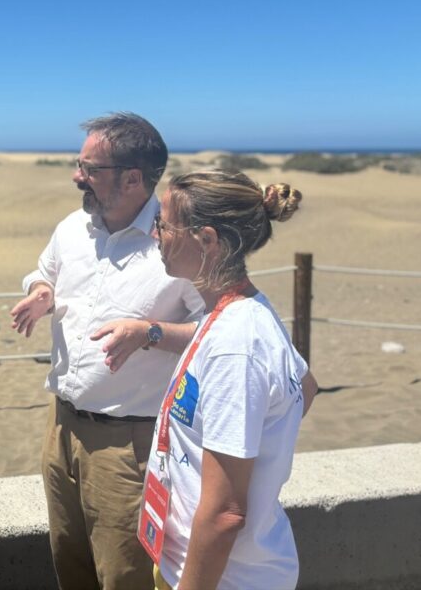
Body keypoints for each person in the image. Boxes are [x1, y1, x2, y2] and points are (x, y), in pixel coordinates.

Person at [10, 112, 205, 590]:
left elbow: (216, 330)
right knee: (69, 562)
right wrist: (41, 292)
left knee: (124, 576)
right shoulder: (72, 228)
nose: (77, 176)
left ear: (133, 179)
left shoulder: (178, 242)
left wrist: (150, 332)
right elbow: (44, 271)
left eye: (89, 168)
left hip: (129, 444)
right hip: (61, 428)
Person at [143, 171, 318, 590]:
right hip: (196, 566)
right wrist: (263, 437)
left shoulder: (235, 346)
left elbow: (225, 514)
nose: (154, 235)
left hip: (226, 579)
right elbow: (306, 385)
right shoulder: (239, 310)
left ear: (206, 240)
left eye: (163, 225)